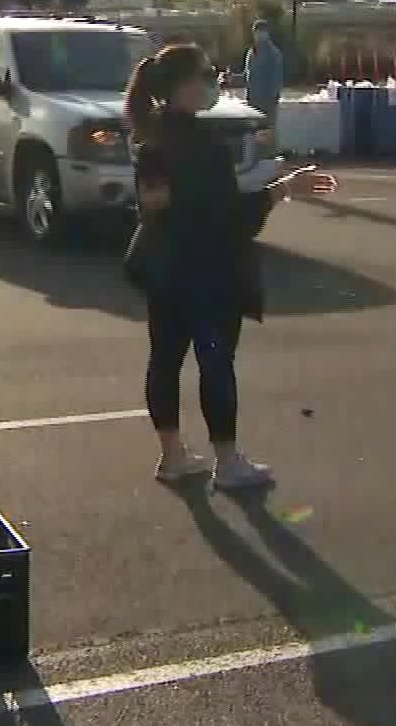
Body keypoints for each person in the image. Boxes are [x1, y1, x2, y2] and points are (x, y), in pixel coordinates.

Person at [122, 42, 335, 489]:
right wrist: (283, 189)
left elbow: (156, 209)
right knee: (215, 362)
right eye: (208, 75)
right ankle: (228, 461)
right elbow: (228, 216)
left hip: (164, 268)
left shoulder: (152, 141)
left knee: (164, 359)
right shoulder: (206, 147)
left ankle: (173, 455)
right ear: (183, 86)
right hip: (207, 271)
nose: (215, 82)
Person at [245, 19, 284, 127]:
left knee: (266, 134)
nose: (258, 35)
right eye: (256, 32)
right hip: (253, 100)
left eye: (261, 32)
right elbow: (248, 75)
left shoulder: (273, 53)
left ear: (267, 33)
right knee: (254, 134)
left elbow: (277, 78)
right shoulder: (251, 52)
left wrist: (273, 99)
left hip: (266, 102)